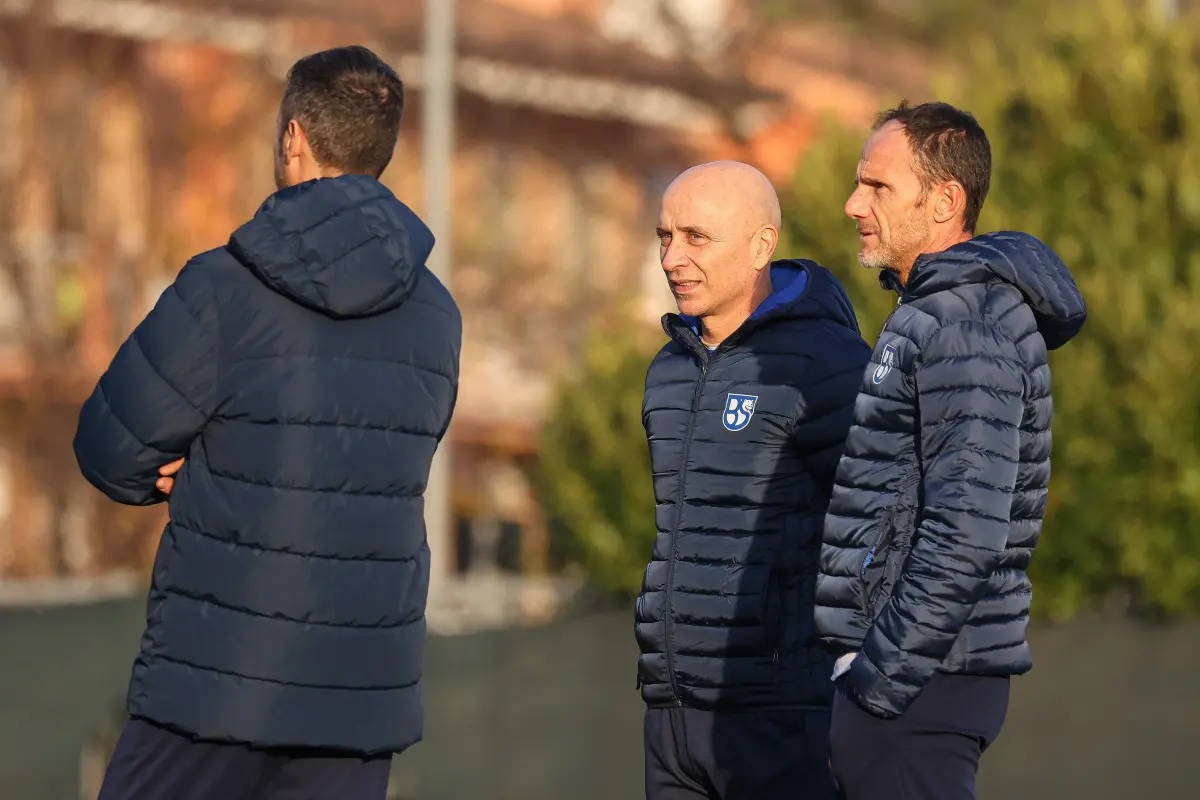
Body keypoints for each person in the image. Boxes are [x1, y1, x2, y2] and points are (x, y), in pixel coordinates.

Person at [73, 46, 461, 800]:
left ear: (293, 138)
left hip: (213, 688)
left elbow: (107, 444)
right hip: (360, 695)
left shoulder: (223, 286)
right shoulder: (437, 314)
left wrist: (183, 467)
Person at [815, 101, 1088, 800]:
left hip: (919, 688)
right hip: (908, 683)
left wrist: (877, 682)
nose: (853, 204)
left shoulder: (970, 321)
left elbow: (966, 531)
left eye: (877, 186)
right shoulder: (932, 311)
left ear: (945, 201)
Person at [635, 160, 872, 800]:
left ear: (761, 245)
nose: (671, 258)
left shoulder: (827, 362)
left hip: (781, 713)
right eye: (664, 236)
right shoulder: (669, 370)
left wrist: (851, 663)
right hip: (672, 711)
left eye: (695, 237)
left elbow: (882, 516)